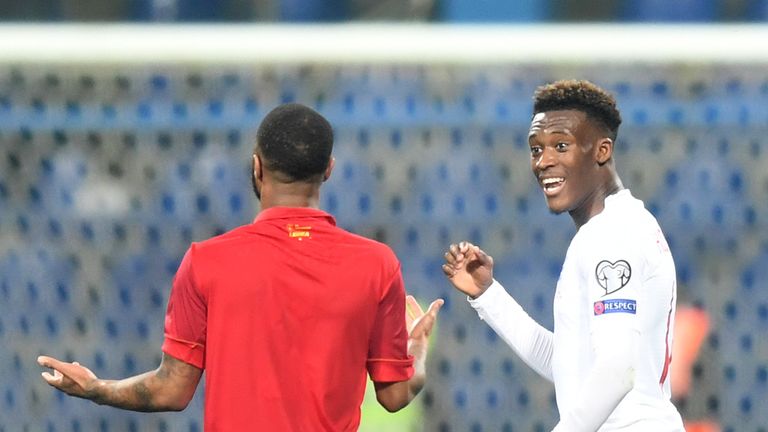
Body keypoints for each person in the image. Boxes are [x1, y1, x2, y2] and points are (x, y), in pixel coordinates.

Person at [38, 103, 443, 431]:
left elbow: (171, 391)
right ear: (328, 171)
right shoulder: (376, 264)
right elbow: (394, 396)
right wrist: (417, 351)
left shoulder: (207, 261)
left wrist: (97, 388)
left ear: (257, 167)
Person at [442, 80, 684, 431]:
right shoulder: (618, 225)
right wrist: (489, 296)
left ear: (602, 151)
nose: (544, 161)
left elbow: (618, 368)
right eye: (536, 149)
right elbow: (571, 363)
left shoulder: (612, 233)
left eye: (560, 145)